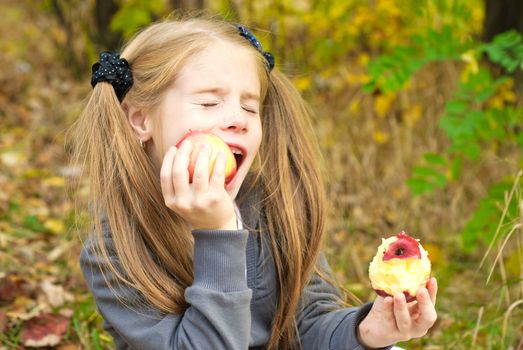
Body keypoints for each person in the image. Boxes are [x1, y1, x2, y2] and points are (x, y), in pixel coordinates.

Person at [70, 13, 438, 350]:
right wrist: (219, 233)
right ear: (140, 120)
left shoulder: (274, 207)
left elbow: (306, 326)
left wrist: (366, 331)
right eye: (210, 103)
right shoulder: (114, 249)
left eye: (249, 107)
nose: (238, 119)